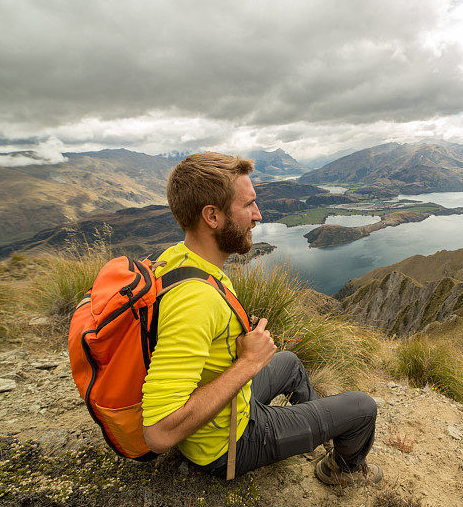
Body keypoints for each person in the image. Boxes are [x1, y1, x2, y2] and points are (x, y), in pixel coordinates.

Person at [141, 152, 382, 485]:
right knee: (363, 408)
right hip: (227, 444)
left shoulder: (180, 257)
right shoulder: (195, 300)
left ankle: (315, 436)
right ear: (212, 215)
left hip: (229, 409)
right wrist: (248, 364)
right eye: (248, 205)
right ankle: (341, 470)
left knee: (291, 363)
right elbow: (158, 432)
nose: (258, 215)